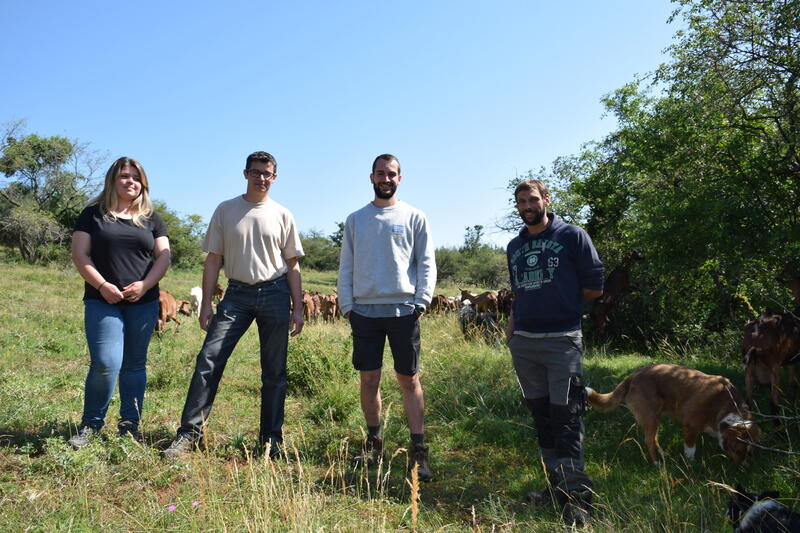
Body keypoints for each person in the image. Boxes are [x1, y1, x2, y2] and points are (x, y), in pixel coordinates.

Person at [162, 151, 304, 459]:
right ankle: (189, 433)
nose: (261, 178)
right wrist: (205, 305)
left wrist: (298, 306)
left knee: (274, 371)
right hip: (236, 294)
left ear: (275, 177)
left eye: (267, 174)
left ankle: (271, 441)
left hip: (275, 292)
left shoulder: (283, 214)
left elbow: (293, 264)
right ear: (245, 174)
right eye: (256, 172)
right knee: (208, 358)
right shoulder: (226, 210)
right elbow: (213, 259)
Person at [505, 178, 604, 527]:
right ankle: (556, 486)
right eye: (521, 201)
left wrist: (564, 308)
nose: (527, 206)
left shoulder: (572, 236)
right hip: (525, 344)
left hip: (562, 339)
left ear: (546, 199)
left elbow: (594, 285)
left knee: (568, 416)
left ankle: (577, 498)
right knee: (543, 417)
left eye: (532, 199)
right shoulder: (514, 245)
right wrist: (514, 326)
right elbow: (518, 290)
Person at [337, 154, 437, 481]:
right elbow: (346, 266)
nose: (386, 178)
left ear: (400, 178)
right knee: (369, 379)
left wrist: (421, 301)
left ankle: (418, 450)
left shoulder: (414, 217)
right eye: (380, 173)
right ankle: (374, 441)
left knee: (409, 380)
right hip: (364, 312)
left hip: (404, 311)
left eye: (391, 174)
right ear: (371, 177)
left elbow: (426, 263)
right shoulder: (356, 220)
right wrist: (347, 306)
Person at [69, 156, 171, 448]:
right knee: (105, 363)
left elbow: (163, 256)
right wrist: (102, 285)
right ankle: (91, 425)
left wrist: (145, 285)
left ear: (144, 185)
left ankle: (129, 426)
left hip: (144, 301)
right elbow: (80, 256)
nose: (131, 182)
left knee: (135, 365)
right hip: (102, 300)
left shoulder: (152, 218)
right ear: (113, 180)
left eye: (137, 178)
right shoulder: (93, 215)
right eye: (125, 176)